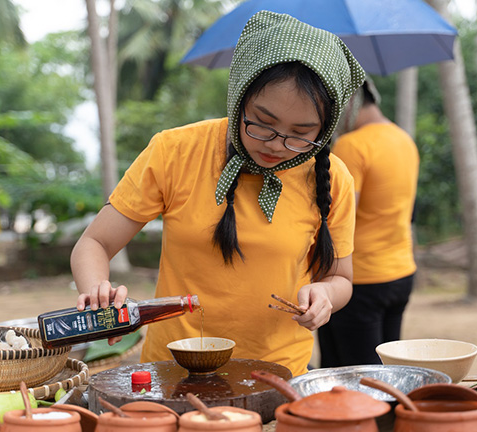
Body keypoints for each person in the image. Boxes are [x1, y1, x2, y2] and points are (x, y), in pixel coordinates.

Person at [69, 10, 365, 376]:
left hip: (276, 376)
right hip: (174, 371)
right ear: (239, 96)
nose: (277, 145)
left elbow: (341, 279)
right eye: (263, 123)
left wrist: (325, 297)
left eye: (301, 133)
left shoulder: (335, 178)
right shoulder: (175, 151)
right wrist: (99, 296)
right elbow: (94, 243)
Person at [317, 78, 420, 367]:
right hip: (400, 274)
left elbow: (339, 216)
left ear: (350, 102)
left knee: (351, 377)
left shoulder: (352, 145)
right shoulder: (403, 140)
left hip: (359, 281)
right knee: (389, 373)